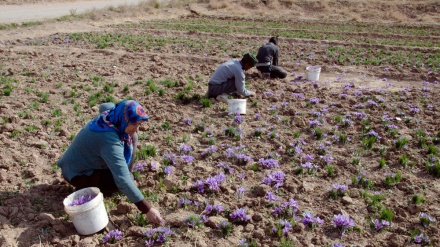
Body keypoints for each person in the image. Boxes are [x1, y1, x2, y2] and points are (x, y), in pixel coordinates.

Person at [58, 100, 164, 224]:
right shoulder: (109, 140)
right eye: (134, 124)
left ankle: (126, 173)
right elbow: (122, 180)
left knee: (133, 137)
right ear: (124, 119)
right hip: (77, 174)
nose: (137, 128)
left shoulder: (111, 117)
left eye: (139, 124)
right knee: (121, 181)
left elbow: (105, 106)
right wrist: (148, 209)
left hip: (85, 163)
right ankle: (86, 188)